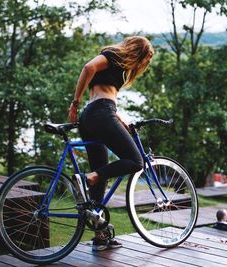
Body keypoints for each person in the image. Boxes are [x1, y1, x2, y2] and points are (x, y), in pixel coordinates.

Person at [67, 36, 154, 251]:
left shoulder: (120, 67)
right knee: (135, 161)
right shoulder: (112, 56)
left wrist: (122, 122)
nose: (143, 65)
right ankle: (88, 178)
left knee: (102, 175)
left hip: (93, 116)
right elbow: (88, 67)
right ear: (139, 53)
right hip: (99, 113)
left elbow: (107, 98)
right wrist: (74, 103)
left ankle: (100, 235)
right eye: (145, 59)